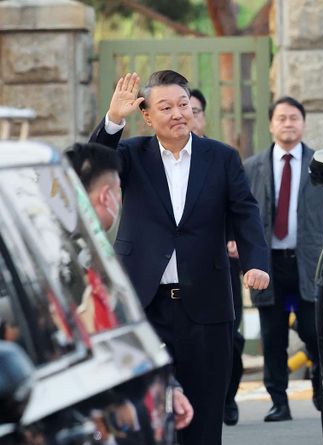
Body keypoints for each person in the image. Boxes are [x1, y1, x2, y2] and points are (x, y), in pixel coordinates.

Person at [88, 70, 269, 445]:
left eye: (183, 105)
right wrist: (113, 119)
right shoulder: (131, 154)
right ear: (147, 116)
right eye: (166, 107)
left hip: (206, 305)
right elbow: (91, 169)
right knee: (144, 415)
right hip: (144, 305)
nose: (177, 114)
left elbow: (245, 212)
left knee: (203, 418)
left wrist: (256, 262)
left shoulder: (221, 157)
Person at [65, 142, 194, 431]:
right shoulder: (85, 263)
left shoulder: (54, 249)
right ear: (107, 196)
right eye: (119, 191)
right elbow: (123, 332)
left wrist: (169, 386)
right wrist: (166, 387)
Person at [244, 96, 323, 422]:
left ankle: (320, 387)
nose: (288, 123)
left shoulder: (322, 166)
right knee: (273, 337)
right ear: (271, 124)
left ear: (303, 123)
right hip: (268, 265)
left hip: (309, 263)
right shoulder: (252, 167)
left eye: (294, 118)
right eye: (282, 118)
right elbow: (243, 214)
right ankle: (278, 401)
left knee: (315, 332)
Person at [189, 88, 244, 426]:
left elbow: (240, 206)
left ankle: (227, 397)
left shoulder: (221, 157)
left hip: (221, 262)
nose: (185, 116)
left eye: (193, 110)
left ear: (203, 117)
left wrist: (235, 238)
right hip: (178, 268)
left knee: (230, 337)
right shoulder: (155, 158)